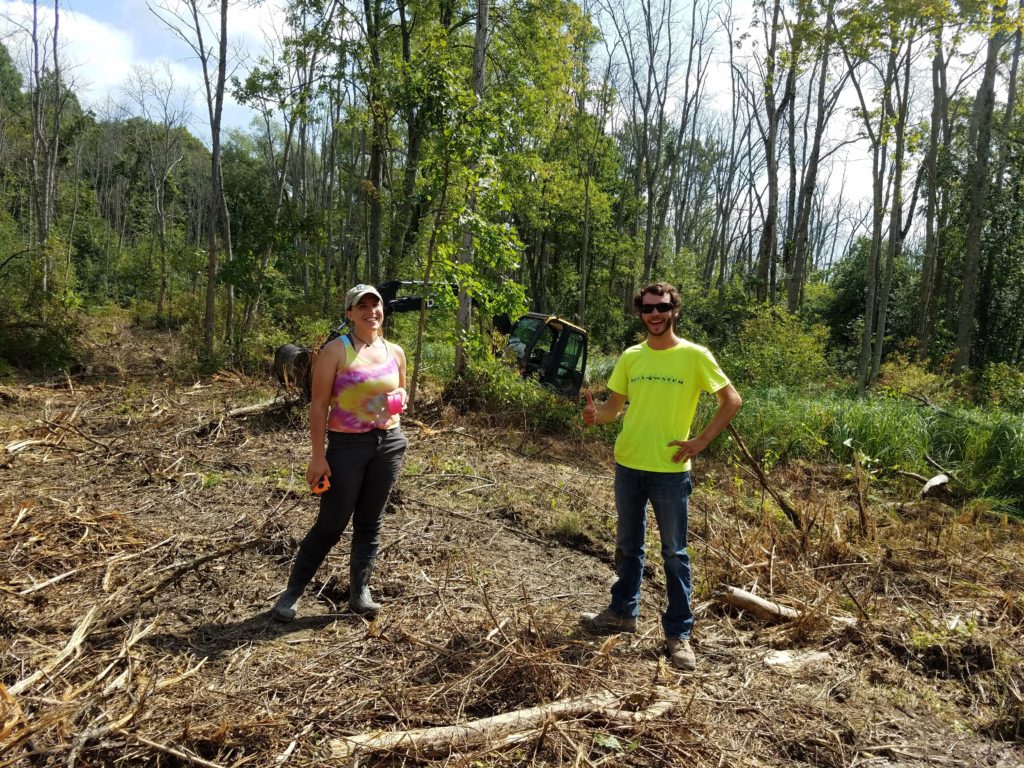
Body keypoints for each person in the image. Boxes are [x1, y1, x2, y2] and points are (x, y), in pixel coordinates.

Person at [580, 281, 742, 670]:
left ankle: (678, 634)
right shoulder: (631, 356)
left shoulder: (694, 356)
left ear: (674, 310)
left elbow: (731, 400)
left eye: (662, 307)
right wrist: (595, 415)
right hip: (628, 465)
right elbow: (613, 409)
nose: (655, 314)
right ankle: (622, 613)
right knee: (628, 545)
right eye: (648, 308)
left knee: (674, 553)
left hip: (670, 471)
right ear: (641, 313)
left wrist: (701, 440)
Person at [272, 284, 409, 622]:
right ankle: (292, 593)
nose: (370, 312)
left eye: (375, 305)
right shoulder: (336, 351)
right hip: (347, 446)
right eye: (362, 307)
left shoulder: (395, 352)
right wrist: (318, 456)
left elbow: (403, 391)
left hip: (388, 444)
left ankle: (360, 592)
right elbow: (319, 406)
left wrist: (397, 400)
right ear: (350, 313)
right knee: (331, 524)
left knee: (370, 522)